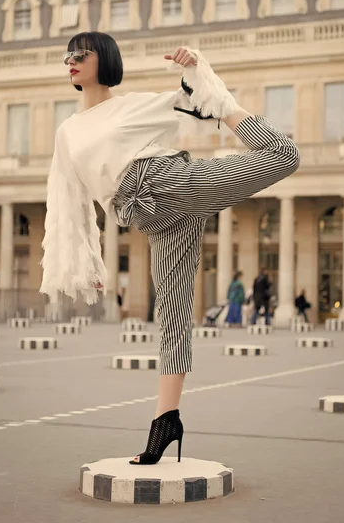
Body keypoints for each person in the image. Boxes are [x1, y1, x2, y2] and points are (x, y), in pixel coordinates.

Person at [39, 32, 300, 465]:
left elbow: (201, 94)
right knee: (173, 315)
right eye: (67, 55)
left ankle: (245, 121)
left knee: (283, 154)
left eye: (79, 53)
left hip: (171, 183)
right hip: (146, 215)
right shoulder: (67, 132)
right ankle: (167, 421)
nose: (70, 61)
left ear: (103, 59)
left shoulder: (140, 102)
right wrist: (88, 261)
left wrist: (195, 63)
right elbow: (70, 203)